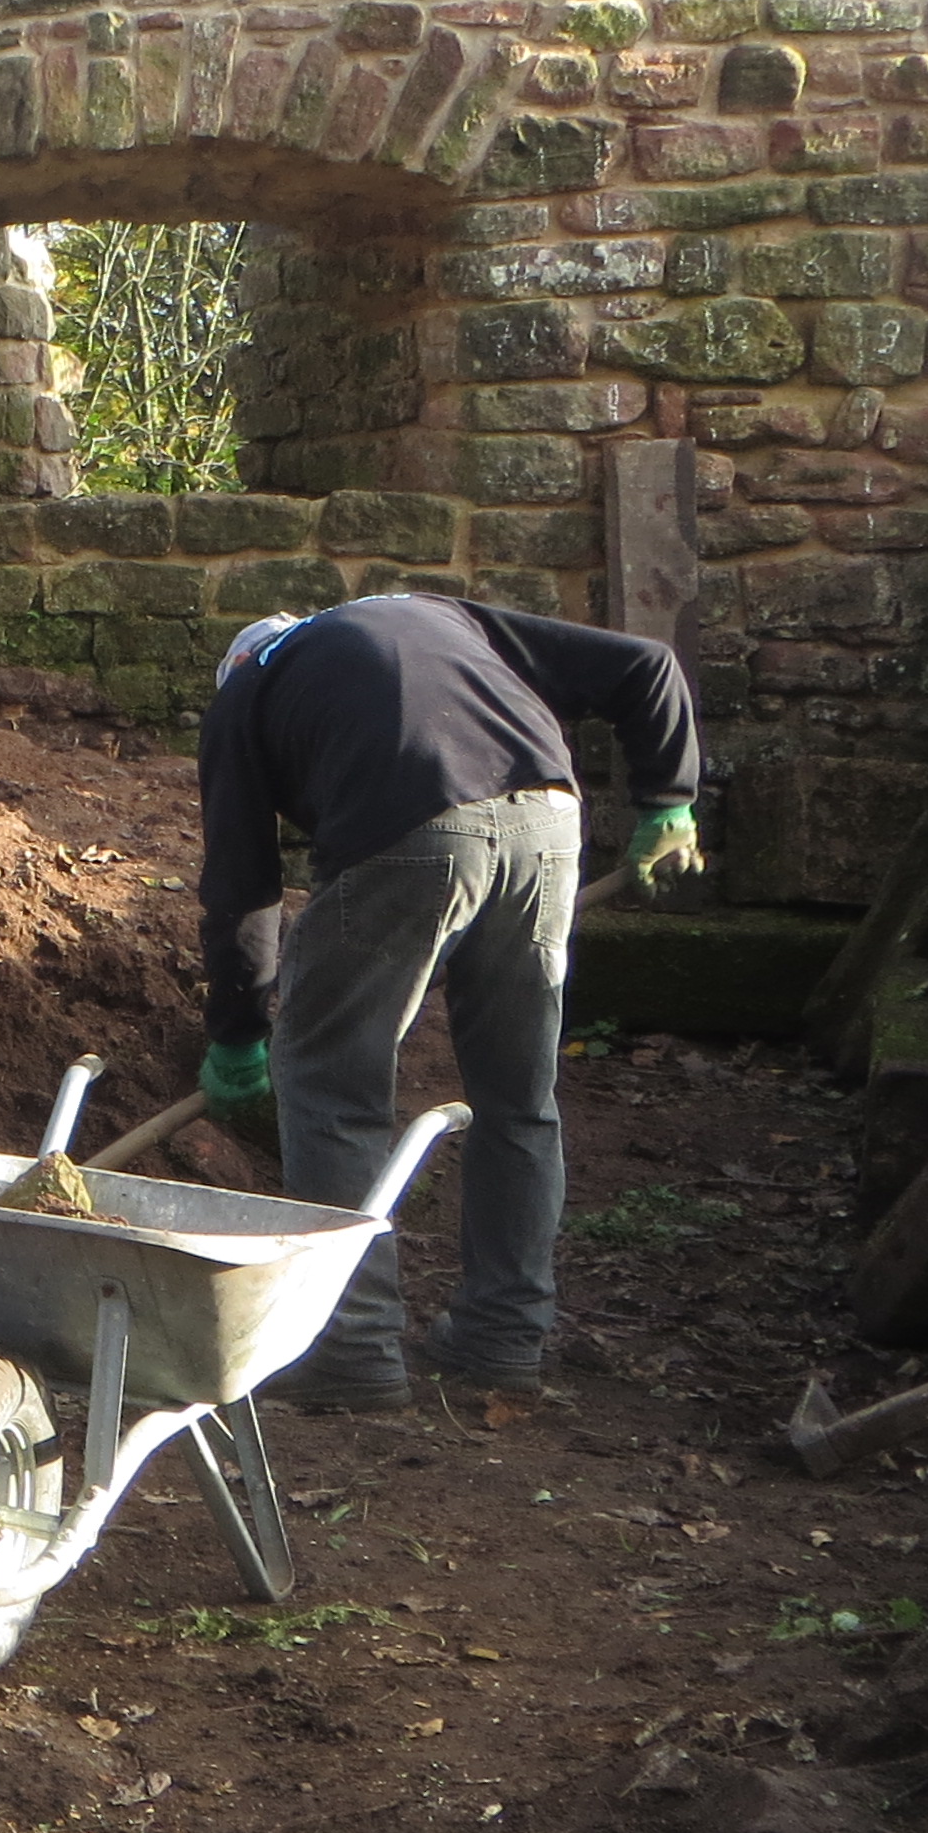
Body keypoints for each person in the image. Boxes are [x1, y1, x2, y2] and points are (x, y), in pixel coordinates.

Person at [196, 589, 704, 1412]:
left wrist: (237, 1035)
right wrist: (668, 798)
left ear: (241, 663)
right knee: (518, 1097)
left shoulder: (245, 692)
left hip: (410, 834)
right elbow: (646, 664)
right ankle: (503, 1337)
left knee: (331, 1087)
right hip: (548, 823)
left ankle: (351, 1350)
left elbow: (241, 889)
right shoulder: (433, 616)